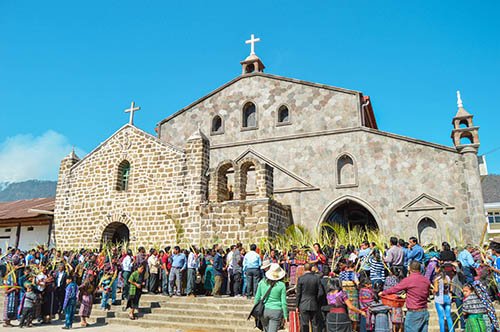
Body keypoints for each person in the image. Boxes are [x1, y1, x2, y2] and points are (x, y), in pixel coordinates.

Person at [381, 261, 430, 332]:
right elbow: (427, 294)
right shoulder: (426, 280)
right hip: (424, 311)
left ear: (409, 269)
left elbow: (395, 289)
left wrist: (383, 293)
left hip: (413, 312)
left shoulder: (408, 280)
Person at [254, 263, 289, 332]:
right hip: (276, 311)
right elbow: (284, 302)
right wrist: (285, 316)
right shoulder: (281, 285)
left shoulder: (262, 282)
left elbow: (257, 298)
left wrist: (256, 311)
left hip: (264, 310)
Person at [296, 263, 324, 332]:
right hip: (314, 303)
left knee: (304, 324)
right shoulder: (316, 278)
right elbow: (321, 293)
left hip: (303, 303)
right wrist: (316, 299)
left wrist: (297, 305)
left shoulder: (301, 279)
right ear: (311, 269)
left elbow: (298, 293)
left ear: (304, 269)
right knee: (315, 324)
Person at [433, 263, 454, 332]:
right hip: (447, 298)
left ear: (438, 269)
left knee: (441, 317)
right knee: (448, 316)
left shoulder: (437, 279)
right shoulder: (448, 278)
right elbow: (451, 289)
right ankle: (451, 330)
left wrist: (432, 290)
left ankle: (442, 330)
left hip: (439, 299)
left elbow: (436, 290)